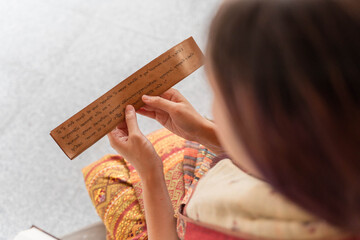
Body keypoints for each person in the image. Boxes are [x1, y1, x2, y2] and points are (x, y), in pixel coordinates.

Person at [82, 0, 360, 239]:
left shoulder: (222, 226)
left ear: (268, 130)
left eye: (218, 96)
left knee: (105, 174)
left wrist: (150, 171)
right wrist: (203, 132)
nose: (212, 111)